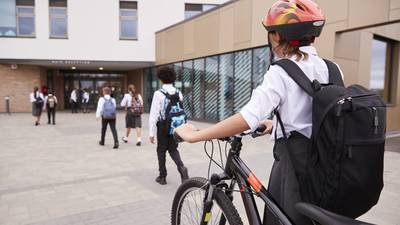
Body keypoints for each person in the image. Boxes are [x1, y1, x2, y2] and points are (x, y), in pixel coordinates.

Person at [174, 1, 333, 224]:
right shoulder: (332, 68)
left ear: (277, 36)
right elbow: (316, 113)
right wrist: (275, 124)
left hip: (294, 166)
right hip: (327, 164)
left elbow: (247, 118)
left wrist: (194, 136)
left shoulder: (281, 71)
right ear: (313, 37)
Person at [149, 66, 189, 185]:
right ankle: (182, 168)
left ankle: (162, 176)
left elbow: (154, 114)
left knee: (161, 150)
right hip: (175, 125)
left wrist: (151, 132)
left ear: (161, 79)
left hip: (163, 126)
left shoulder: (158, 94)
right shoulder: (178, 92)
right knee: (173, 149)